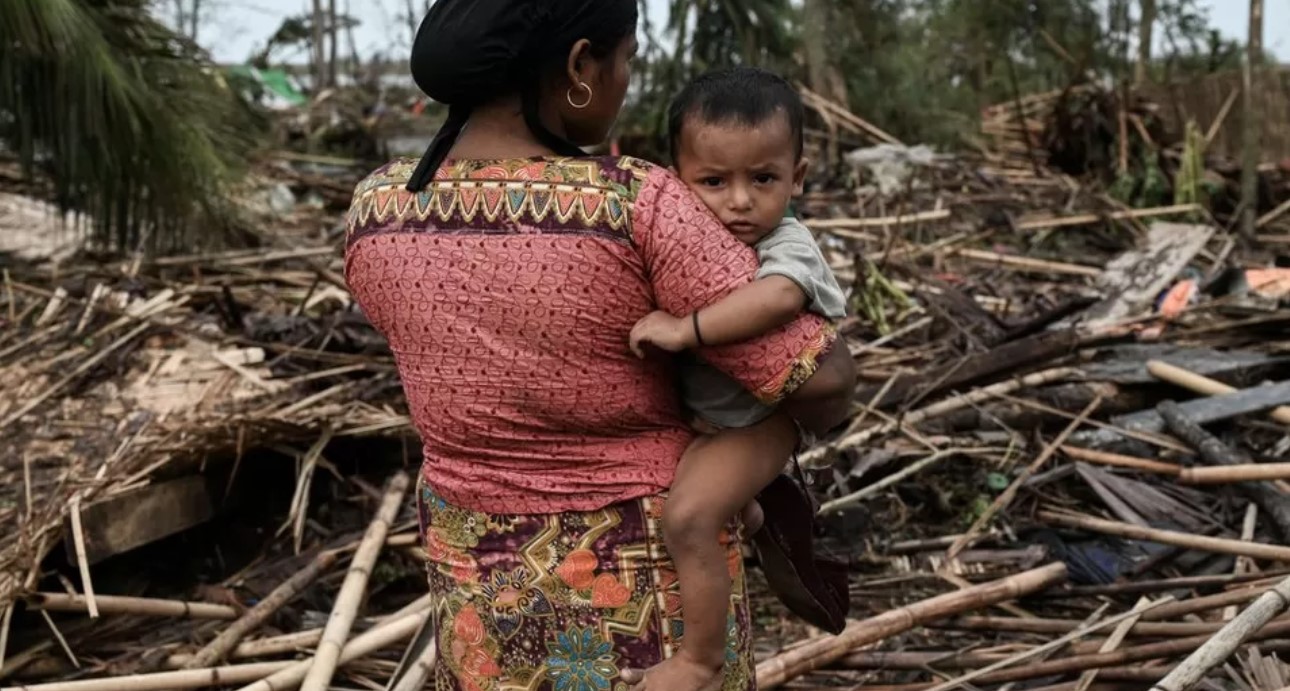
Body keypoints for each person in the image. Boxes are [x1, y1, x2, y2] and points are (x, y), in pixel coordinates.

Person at [343, 2, 855, 690]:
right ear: (582, 65)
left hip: (478, 596)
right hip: (643, 607)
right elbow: (818, 379)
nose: (624, 80)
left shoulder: (377, 210)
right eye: (626, 60)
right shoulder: (633, 205)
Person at [627, 66, 849, 671]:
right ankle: (754, 507)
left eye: (764, 178)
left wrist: (687, 329)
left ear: (796, 178)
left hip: (760, 421)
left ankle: (700, 659)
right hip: (714, 423)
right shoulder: (678, 236)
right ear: (676, 183)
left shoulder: (786, 243)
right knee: (694, 500)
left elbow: (778, 297)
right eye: (715, 181)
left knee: (689, 518)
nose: (741, 200)